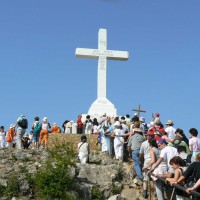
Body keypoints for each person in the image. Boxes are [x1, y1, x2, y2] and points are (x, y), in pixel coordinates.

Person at [140, 131, 155, 198]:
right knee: (154, 177)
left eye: (148, 135)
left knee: (145, 178)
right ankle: (155, 192)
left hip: (147, 160)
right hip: (154, 161)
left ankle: (145, 192)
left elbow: (141, 153)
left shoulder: (144, 143)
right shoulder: (155, 143)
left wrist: (141, 161)